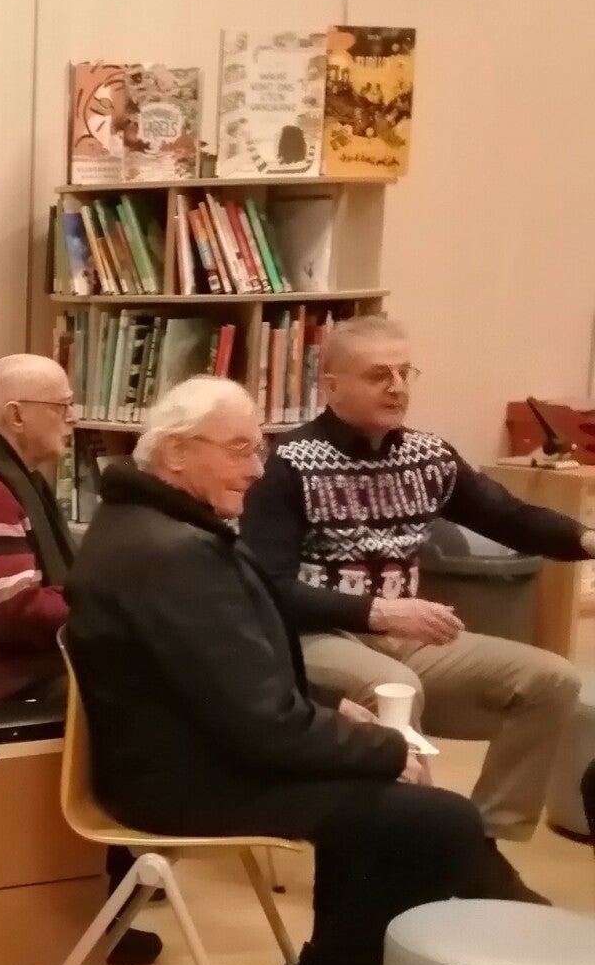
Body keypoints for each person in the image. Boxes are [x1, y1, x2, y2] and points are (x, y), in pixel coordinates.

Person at [67, 378, 521, 965]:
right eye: (240, 450)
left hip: (187, 754)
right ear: (177, 454)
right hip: (183, 780)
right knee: (437, 819)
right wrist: (381, 747)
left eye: (259, 449)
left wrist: (334, 713)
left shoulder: (154, 528)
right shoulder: (171, 553)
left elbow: (233, 682)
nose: (258, 469)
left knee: (407, 809)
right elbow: (258, 723)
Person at [240, 317, 591, 858]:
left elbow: (509, 517)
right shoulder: (287, 463)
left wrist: (585, 538)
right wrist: (378, 612)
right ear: (331, 386)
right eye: (379, 375)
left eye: (406, 373)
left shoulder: (427, 455)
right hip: (312, 636)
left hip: (402, 635)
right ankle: (410, 849)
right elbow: (267, 588)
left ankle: (482, 841)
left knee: (552, 680)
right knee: (395, 685)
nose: (398, 387)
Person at [0, 355, 161, 965]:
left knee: (147, 684)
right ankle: (109, 886)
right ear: (17, 416)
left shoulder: (8, 477)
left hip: (20, 670)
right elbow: (14, 613)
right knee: (136, 705)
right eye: (62, 407)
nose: (71, 420)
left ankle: (124, 865)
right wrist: (113, 604)